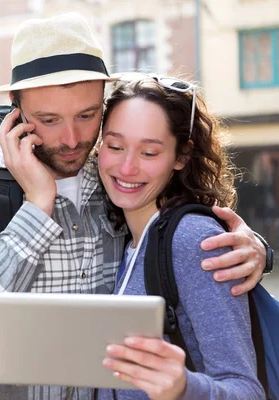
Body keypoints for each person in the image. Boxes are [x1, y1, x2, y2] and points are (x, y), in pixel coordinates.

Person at [0, 12, 269, 400]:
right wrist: (38, 206)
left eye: (87, 116)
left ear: (103, 103)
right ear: (15, 106)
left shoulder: (112, 170)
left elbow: (182, 229)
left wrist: (256, 249)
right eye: (49, 119)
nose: (72, 139)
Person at [98, 75, 265, 399]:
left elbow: (246, 390)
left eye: (149, 153)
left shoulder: (194, 241)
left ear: (181, 156)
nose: (127, 167)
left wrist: (184, 388)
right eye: (115, 146)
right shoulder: (115, 232)